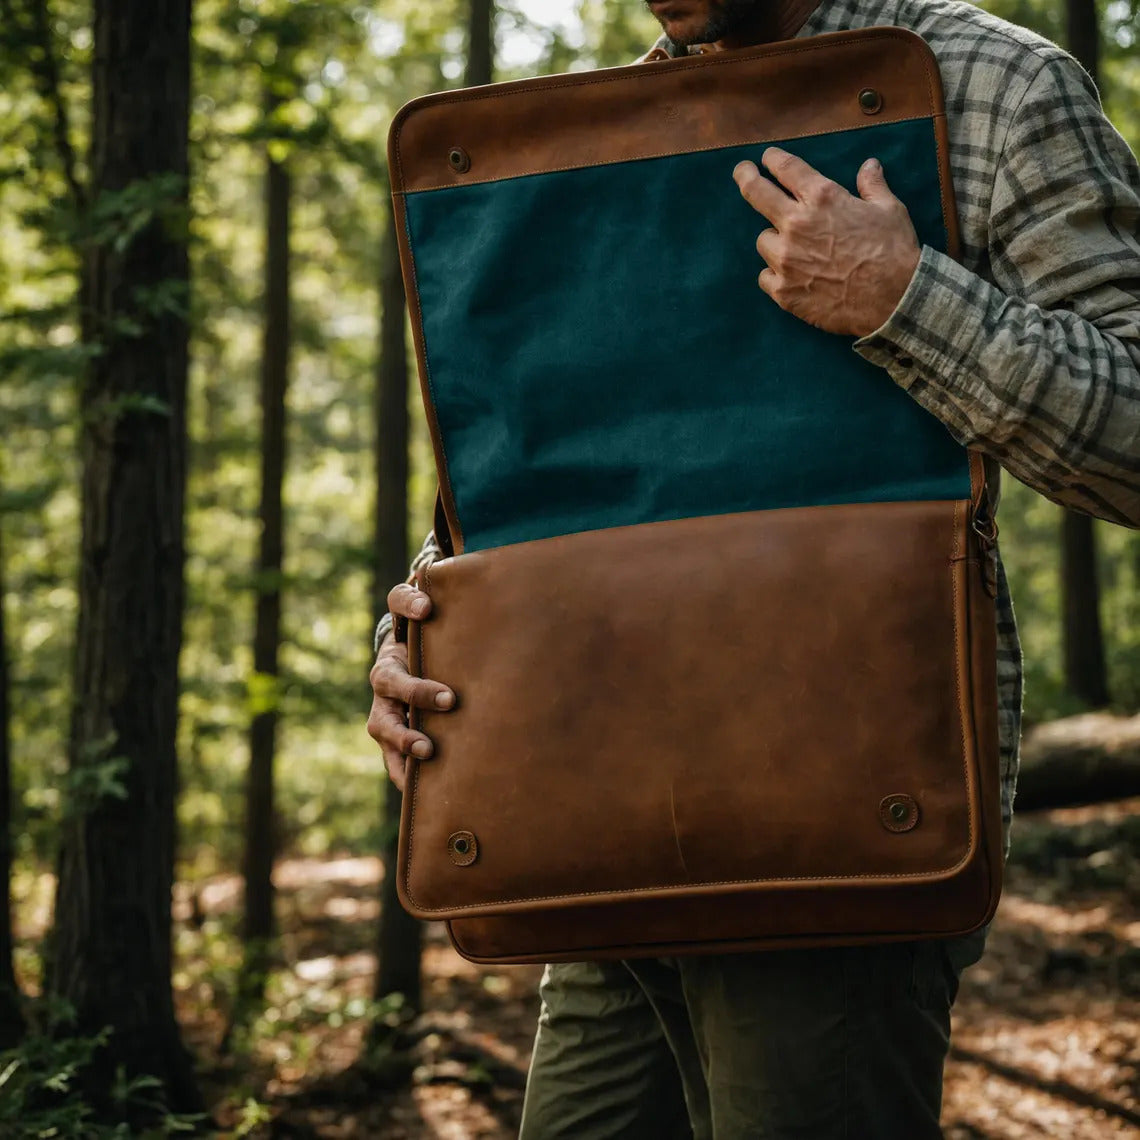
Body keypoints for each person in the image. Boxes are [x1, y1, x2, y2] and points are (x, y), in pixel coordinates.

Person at [367, 0, 1140, 1134]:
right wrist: (419, 626)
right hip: (599, 812)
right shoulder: (616, 122)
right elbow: (540, 473)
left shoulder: (993, 84)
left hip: (839, 829)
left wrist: (908, 301)